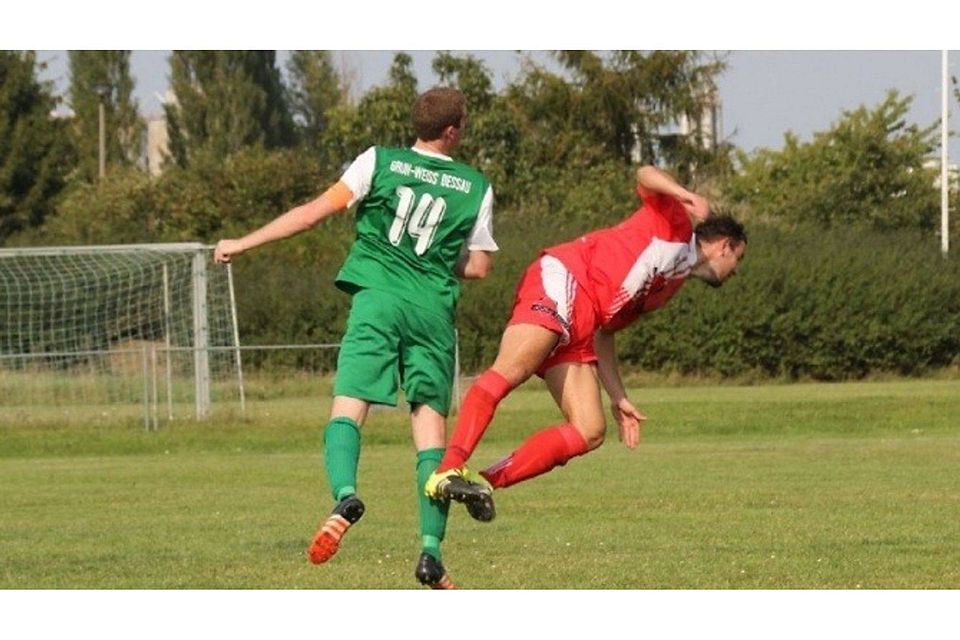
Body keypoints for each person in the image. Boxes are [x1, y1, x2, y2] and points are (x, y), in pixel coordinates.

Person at [214, 87, 497, 589]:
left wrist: (243, 241)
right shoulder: (476, 186)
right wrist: (432, 254)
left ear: (418, 124)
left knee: (348, 410)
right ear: (453, 130)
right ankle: (431, 553)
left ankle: (345, 493)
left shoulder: (379, 162)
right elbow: (477, 266)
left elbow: (311, 214)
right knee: (430, 436)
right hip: (432, 312)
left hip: (378, 302)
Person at [425, 166, 746, 523]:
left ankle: (482, 483)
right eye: (738, 259)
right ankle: (449, 467)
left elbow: (605, 332)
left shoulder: (668, 287)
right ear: (725, 246)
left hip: (586, 320)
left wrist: (618, 397)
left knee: (590, 430)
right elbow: (644, 174)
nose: (736, 272)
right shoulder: (675, 224)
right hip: (565, 278)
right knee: (512, 370)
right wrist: (684, 193)